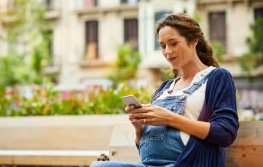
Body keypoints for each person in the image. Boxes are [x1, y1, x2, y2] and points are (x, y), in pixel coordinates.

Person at [90, 13, 239, 167]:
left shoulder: (216, 77)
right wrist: (140, 129)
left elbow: (225, 133)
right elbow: (145, 154)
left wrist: (170, 118)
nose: (167, 51)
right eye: (163, 46)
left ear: (194, 40)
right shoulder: (165, 88)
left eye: (173, 43)